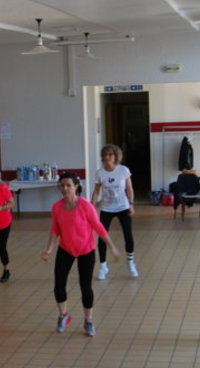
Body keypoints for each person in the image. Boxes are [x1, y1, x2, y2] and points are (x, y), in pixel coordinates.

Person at [42, 173, 120, 337]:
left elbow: (98, 227)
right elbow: (55, 229)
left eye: (68, 185)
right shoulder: (57, 207)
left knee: (86, 286)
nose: (65, 188)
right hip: (66, 249)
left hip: (86, 250)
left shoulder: (85, 206)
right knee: (59, 284)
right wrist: (49, 248)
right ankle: (63, 315)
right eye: (62, 185)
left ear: (76, 186)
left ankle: (88, 320)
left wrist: (112, 247)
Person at [92, 144, 137, 279]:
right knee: (102, 237)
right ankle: (103, 266)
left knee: (128, 235)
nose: (107, 157)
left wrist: (131, 204)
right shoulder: (100, 173)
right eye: (105, 154)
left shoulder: (123, 170)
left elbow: (129, 189)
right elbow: (96, 192)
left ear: (116, 156)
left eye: (110, 154)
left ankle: (130, 262)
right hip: (107, 208)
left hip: (123, 207)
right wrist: (92, 207)